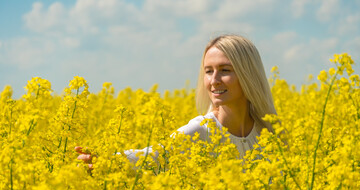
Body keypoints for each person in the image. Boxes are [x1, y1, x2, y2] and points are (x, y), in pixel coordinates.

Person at [76, 34, 277, 167]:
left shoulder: (270, 133)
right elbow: (152, 156)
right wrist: (105, 161)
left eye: (225, 70)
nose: (214, 81)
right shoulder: (201, 131)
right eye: (208, 71)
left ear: (248, 73)